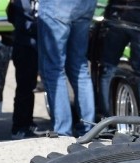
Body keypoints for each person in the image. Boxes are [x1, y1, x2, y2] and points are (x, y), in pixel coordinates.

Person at [37, 0, 98, 137]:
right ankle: (89, 129)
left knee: (54, 69)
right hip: (85, 4)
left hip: (57, 5)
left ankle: (63, 131)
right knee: (80, 67)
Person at [7, 0, 41, 138]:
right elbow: (18, 19)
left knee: (29, 86)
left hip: (31, 45)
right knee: (24, 87)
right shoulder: (22, 4)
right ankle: (19, 126)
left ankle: (27, 122)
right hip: (24, 46)